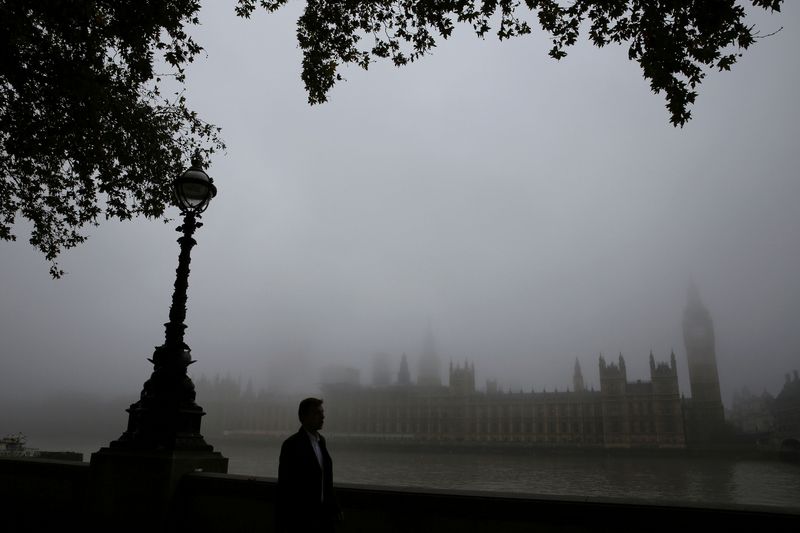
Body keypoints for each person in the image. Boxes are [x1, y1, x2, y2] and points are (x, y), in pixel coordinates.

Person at [276, 397, 341, 532]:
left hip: (324, 517)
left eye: (322, 412)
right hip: (302, 520)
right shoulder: (291, 445)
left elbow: (326, 479)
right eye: (317, 413)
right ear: (303, 417)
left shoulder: (321, 441)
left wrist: (334, 508)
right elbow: (285, 485)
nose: (323, 416)